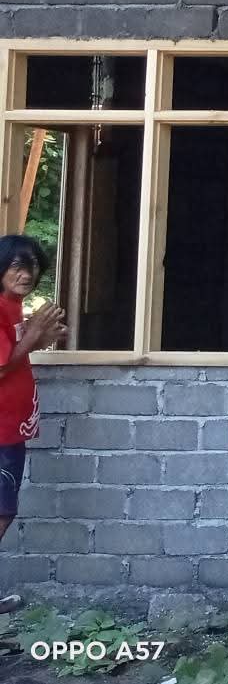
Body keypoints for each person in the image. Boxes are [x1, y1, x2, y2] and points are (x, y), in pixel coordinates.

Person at [0, 236, 64, 613]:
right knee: (2, 512)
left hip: (10, 429)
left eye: (33, 266)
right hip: (1, 430)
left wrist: (36, 339)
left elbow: (11, 353)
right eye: (17, 266)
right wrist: (34, 337)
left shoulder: (11, 306)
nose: (27, 274)